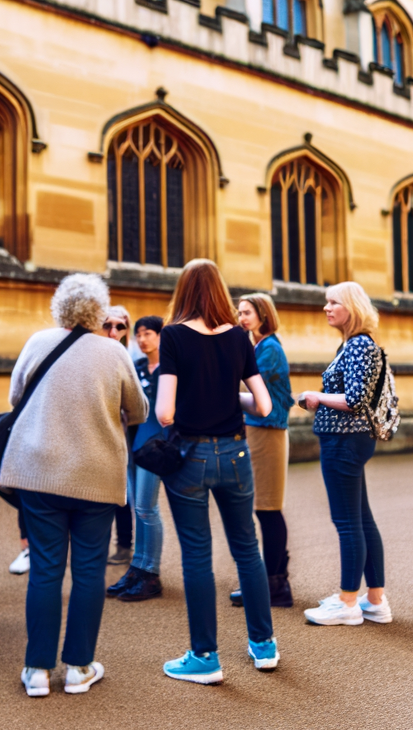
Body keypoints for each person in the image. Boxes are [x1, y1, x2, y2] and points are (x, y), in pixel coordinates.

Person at [0, 274, 146, 696]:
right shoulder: (113, 352)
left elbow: (14, 397)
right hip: (95, 476)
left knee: (45, 570)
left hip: (39, 472)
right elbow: (136, 411)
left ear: (59, 307)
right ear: (98, 311)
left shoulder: (37, 341)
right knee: (88, 572)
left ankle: (37, 671)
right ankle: (79, 667)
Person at [155, 259, 279, 684]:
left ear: (184, 291)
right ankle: (264, 646)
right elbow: (263, 405)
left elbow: (165, 412)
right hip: (237, 454)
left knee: (197, 555)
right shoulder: (239, 338)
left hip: (190, 455)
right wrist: (228, 398)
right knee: (247, 548)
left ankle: (205, 656)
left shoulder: (171, 336)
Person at [296, 281, 391, 628]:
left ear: (351, 307)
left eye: (333, 302)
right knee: (362, 519)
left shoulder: (358, 346)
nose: (326, 307)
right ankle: (375, 599)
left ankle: (348, 601)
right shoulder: (354, 345)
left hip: (343, 441)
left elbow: (354, 400)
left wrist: (316, 396)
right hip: (348, 440)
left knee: (347, 522)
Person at [232, 293, 294, 608]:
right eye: (239, 313)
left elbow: (243, 384)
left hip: (269, 434)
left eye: (247, 313)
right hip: (256, 432)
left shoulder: (269, 348)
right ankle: (269, 581)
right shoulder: (258, 345)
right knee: (262, 508)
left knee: (268, 508)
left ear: (263, 315)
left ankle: (276, 585)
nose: (241, 318)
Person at [108, 315, 167, 602]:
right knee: (138, 508)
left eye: (148, 333)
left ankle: (151, 573)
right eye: (139, 334)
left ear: (160, 335)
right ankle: (138, 567)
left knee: (147, 508)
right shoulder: (137, 366)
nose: (142, 339)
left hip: (154, 448)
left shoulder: (170, 368)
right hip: (131, 444)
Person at [101, 304, 136, 564]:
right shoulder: (94, 352)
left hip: (126, 434)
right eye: (108, 325)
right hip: (97, 433)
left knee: (124, 491)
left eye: (119, 326)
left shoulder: (132, 356)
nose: (113, 331)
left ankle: (125, 544)